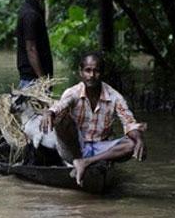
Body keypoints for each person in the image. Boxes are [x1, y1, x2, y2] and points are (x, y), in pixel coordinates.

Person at [40, 52, 146, 186]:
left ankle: (86, 162)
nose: (91, 75)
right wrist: (49, 112)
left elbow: (129, 123)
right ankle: (79, 160)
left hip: (100, 149)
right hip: (74, 149)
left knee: (132, 144)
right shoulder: (73, 92)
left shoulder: (114, 96)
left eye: (96, 71)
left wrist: (139, 139)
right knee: (62, 119)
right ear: (81, 72)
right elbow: (60, 105)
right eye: (88, 70)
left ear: (102, 73)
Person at [17, 0, 53, 89]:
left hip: (34, 79)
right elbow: (31, 49)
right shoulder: (30, 14)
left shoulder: (33, 10)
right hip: (32, 81)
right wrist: (43, 81)